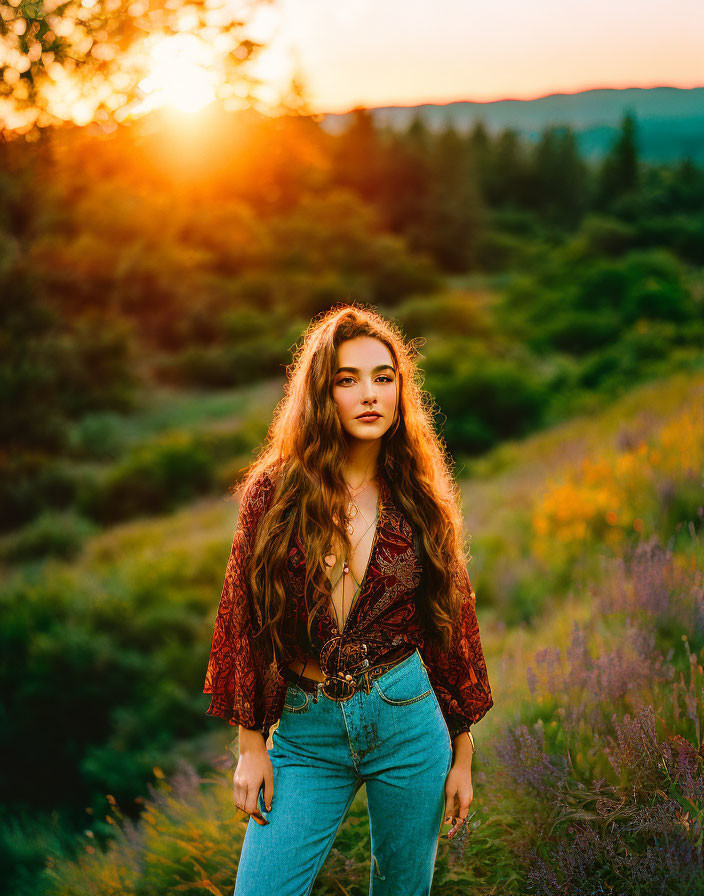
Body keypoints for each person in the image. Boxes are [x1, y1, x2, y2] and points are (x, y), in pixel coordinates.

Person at [203, 304, 494, 895]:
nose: (369, 394)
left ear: (399, 392)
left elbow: (448, 624)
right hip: (308, 731)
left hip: (408, 719)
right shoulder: (275, 493)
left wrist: (461, 754)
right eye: (347, 378)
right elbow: (244, 615)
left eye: (383, 378)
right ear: (321, 392)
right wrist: (250, 746)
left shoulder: (418, 496)